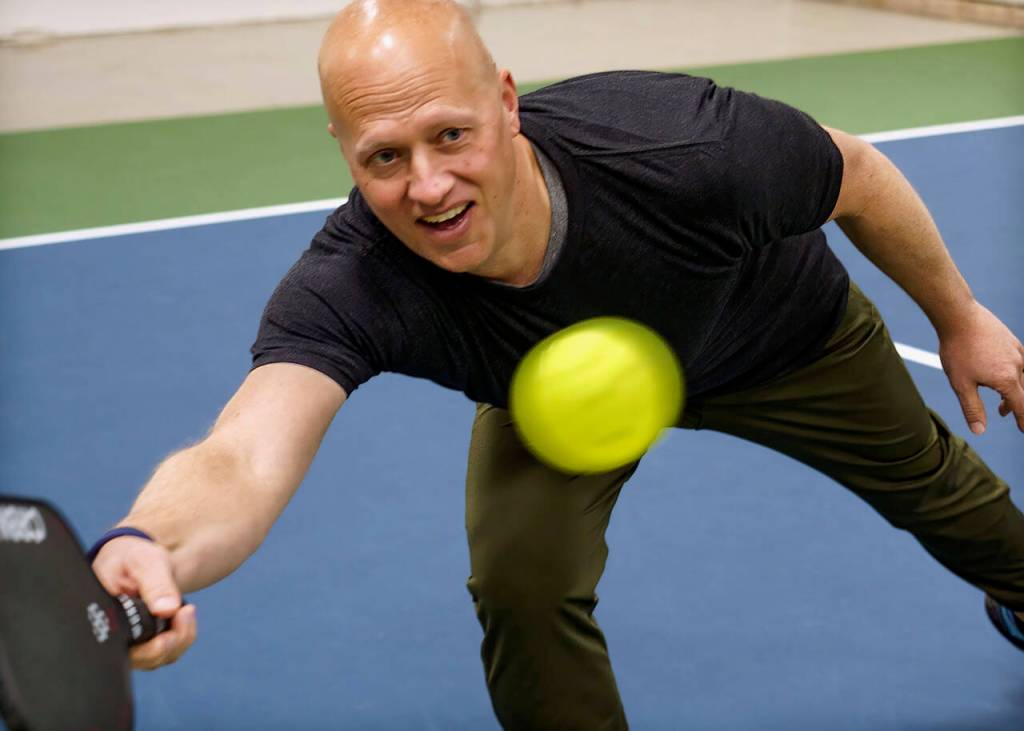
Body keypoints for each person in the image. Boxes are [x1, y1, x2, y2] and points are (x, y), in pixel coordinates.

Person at [90, 0, 1024, 727]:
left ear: (505, 101)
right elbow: (244, 452)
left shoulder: (680, 145)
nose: (427, 186)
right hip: (558, 400)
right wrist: (146, 541)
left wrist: (960, 314)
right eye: (385, 156)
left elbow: (855, 173)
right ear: (343, 150)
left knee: (942, 493)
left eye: (450, 134)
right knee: (519, 579)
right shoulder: (355, 282)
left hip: (779, 333)